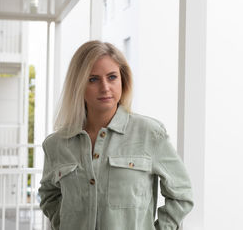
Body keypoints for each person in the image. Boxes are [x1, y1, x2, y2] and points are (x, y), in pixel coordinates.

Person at [38, 40, 194, 230]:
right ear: (78, 84)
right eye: (93, 79)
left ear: (123, 80)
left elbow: (182, 194)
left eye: (112, 77)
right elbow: (49, 195)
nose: (105, 88)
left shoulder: (149, 134)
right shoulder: (57, 144)